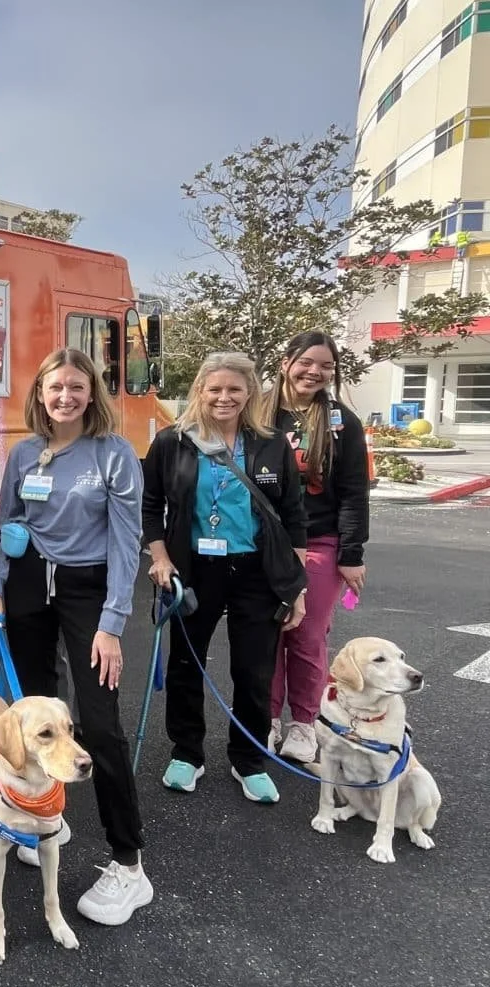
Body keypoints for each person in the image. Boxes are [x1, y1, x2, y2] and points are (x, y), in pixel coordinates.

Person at [0, 349, 151, 926]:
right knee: (32, 720)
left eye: (77, 387)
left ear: (91, 393)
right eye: (56, 388)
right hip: (27, 590)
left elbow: (128, 542)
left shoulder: (114, 453)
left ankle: (129, 865)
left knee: (98, 722)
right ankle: (37, 818)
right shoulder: (25, 452)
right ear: (41, 393)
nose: (65, 397)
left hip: (86, 594)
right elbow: (9, 527)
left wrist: (112, 623)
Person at [142, 351, 308, 805]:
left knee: (254, 670)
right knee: (185, 664)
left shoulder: (271, 442)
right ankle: (186, 753)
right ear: (199, 390)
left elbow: (293, 514)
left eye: (235, 389)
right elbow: (150, 505)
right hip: (193, 569)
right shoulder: (172, 441)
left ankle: (249, 758)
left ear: (250, 393)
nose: (224, 397)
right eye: (214, 388)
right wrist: (159, 556)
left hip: (257, 570)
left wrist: (297, 587)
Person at [262, 331, 370, 764]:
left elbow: (353, 492)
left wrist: (352, 554)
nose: (316, 372)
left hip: (321, 542)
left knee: (307, 635)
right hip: (263, 544)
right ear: (286, 360)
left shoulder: (343, 422)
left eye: (326, 366)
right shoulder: (257, 411)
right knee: (265, 635)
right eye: (308, 362)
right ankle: (264, 718)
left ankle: (304, 723)